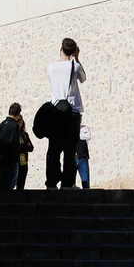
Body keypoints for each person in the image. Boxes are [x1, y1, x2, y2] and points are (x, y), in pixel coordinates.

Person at [45, 37, 86, 189]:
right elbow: (83, 78)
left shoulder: (51, 67)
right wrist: (77, 58)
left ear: (60, 48)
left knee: (53, 150)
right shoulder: (74, 67)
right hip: (72, 112)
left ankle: (51, 182)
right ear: (74, 51)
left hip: (56, 111)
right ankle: (67, 183)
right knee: (70, 150)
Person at [0, 103, 22, 191]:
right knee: (10, 184)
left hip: (1, 158)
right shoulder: (14, 125)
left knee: (1, 180)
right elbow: (12, 142)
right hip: (11, 159)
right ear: (18, 114)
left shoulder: (2, 125)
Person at [14, 109, 33, 190]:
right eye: (18, 120)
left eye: (21, 120)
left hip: (23, 161)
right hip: (15, 160)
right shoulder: (14, 133)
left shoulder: (25, 135)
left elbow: (31, 147)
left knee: (21, 183)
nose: (20, 122)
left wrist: (23, 145)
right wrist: (24, 145)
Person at [76, 123, 91, 189]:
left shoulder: (84, 127)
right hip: (73, 158)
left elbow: (88, 136)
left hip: (83, 158)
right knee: (70, 184)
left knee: (86, 184)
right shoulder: (68, 128)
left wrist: (77, 135)